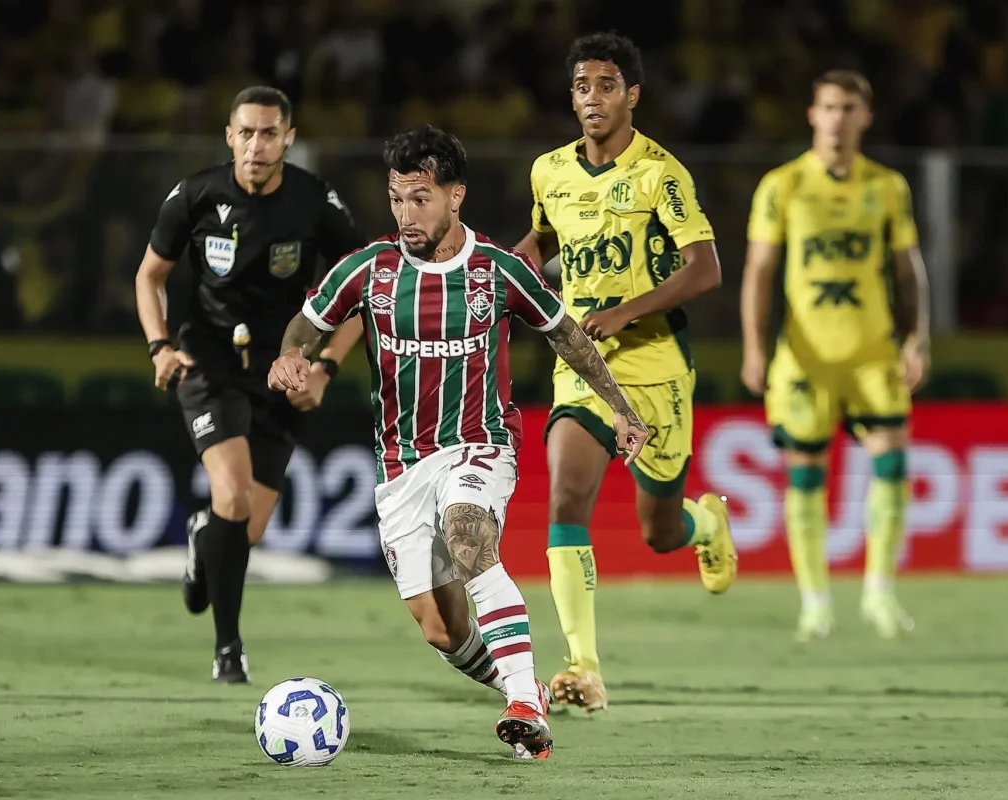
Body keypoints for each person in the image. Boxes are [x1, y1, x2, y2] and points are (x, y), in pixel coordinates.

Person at [268, 125, 648, 758]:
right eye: (396, 198)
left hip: (480, 446)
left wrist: (621, 408)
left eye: (420, 198)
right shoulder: (368, 270)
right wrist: (288, 359)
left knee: (469, 532)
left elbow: (567, 336)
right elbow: (302, 329)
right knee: (441, 629)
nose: (405, 213)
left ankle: (524, 700)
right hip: (401, 465)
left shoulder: (495, 270)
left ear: (455, 196)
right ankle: (523, 692)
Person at [514, 31, 736, 713]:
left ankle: (707, 526)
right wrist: (517, 265)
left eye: (606, 86)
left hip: (655, 367)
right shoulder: (549, 171)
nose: (592, 99)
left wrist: (626, 310)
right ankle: (582, 667)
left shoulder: (660, 174)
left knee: (659, 531)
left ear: (632, 95)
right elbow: (545, 237)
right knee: (564, 500)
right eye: (582, 86)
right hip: (582, 364)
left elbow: (706, 269)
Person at [135, 86, 367, 683]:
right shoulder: (195, 194)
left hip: (284, 371)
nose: (256, 145)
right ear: (229, 135)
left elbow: (367, 290)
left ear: (289, 138)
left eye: (269, 133)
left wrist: (326, 366)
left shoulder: (315, 203)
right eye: (246, 132)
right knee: (234, 500)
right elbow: (149, 276)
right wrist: (160, 345)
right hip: (207, 362)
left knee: (247, 529)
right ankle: (228, 649)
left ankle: (202, 537)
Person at [740, 69, 930, 642]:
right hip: (806, 357)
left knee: (893, 460)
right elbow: (759, 271)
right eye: (829, 107)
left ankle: (879, 591)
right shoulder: (784, 185)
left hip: (873, 351)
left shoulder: (888, 186)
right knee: (805, 474)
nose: (838, 118)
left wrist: (917, 337)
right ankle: (816, 602)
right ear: (812, 115)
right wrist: (754, 347)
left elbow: (908, 269)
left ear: (865, 117)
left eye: (849, 108)